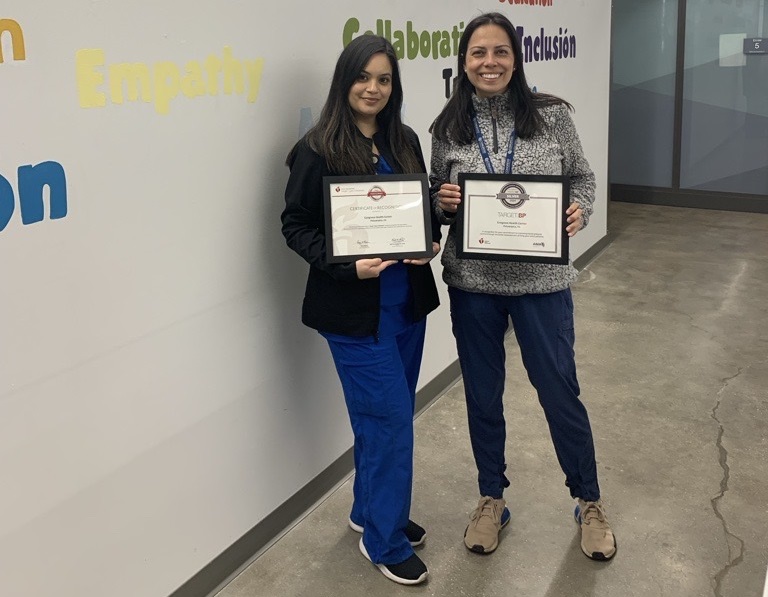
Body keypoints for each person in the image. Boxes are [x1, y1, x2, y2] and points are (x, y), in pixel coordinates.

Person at [429, 12, 616, 561]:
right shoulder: (448, 127)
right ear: (464, 63)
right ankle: (492, 498)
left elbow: (581, 176)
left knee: (560, 392)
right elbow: (439, 198)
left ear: (516, 57)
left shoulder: (553, 116)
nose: (490, 63)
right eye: (478, 54)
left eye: (500, 52)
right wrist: (442, 204)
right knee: (482, 395)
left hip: (542, 283)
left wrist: (579, 210)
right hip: (474, 285)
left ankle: (589, 500)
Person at [281, 34, 441, 585]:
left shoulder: (406, 139)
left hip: (407, 308)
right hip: (353, 316)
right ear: (344, 80)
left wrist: (428, 240)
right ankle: (384, 540)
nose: (373, 88)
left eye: (384, 79)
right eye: (363, 77)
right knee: (391, 423)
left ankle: (369, 510)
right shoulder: (317, 147)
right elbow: (295, 227)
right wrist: (346, 266)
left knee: (381, 421)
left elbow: (420, 213)